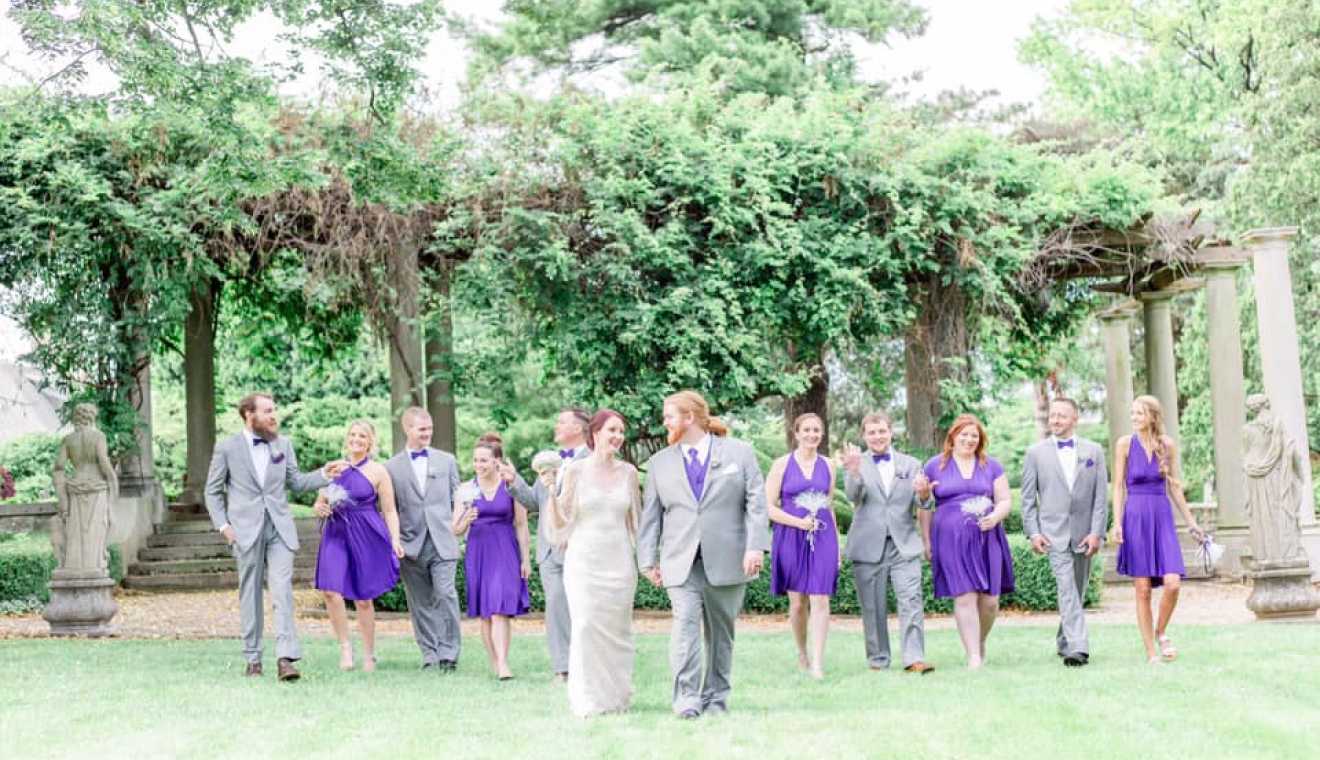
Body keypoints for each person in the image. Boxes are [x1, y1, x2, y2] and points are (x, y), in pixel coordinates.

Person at [637, 390, 769, 719]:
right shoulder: (658, 463)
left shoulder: (739, 453)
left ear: (689, 417)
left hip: (729, 558)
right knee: (684, 627)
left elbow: (756, 503)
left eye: (669, 416)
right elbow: (650, 516)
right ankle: (686, 699)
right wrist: (646, 559)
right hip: (679, 561)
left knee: (721, 634)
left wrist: (755, 546)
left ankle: (716, 699)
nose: (664, 422)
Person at [203, 392, 343, 681]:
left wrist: (324, 474)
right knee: (250, 594)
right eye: (267, 411)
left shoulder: (284, 444)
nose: (273, 416)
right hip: (244, 532)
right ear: (249, 415)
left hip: (280, 528)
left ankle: (285, 658)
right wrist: (224, 527)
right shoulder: (227, 448)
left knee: (282, 591)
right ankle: (253, 659)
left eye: (274, 410)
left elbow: (296, 482)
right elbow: (212, 491)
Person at [545, 409, 640, 717]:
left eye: (621, 431)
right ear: (595, 433)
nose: (618, 437)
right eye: (612, 430)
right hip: (584, 563)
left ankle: (616, 698)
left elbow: (636, 523)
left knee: (618, 631)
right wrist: (551, 492)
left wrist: (648, 560)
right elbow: (562, 520)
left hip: (620, 562)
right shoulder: (575, 471)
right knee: (585, 626)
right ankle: (587, 699)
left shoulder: (629, 473)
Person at [914, 414, 1014, 669]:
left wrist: (995, 517)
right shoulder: (934, 465)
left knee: (990, 602)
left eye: (974, 436)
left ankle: (979, 642)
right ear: (953, 437)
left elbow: (1005, 500)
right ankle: (973, 657)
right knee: (965, 596)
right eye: (964, 434)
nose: (969, 440)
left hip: (987, 538)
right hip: (950, 539)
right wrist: (926, 540)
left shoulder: (991, 465)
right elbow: (924, 505)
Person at [1112, 395, 1205, 663]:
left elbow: (1175, 487)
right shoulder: (1124, 444)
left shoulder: (1167, 445)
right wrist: (1116, 523)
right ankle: (1151, 653)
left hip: (1162, 517)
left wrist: (1192, 523)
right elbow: (1117, 486)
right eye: (1133, 413)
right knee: (1142, 589)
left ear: (1153, 416)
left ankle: (1161, 631)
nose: (1134, 417)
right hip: (1135, 517)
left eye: (1140, 413)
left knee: (1172, 583)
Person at [840, 413, 934, 674]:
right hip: (867, 544)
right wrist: (853, 472)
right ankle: (878, 659)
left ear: (891, 432)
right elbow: (852, 496)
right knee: (872, 606)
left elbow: (923, 503)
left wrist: (924, 494)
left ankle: (914, 658)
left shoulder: (911, 464)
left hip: (904, 544)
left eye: (882, 431)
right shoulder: (856, 463)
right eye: (871, 432)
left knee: (911, 599)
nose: (877, 436)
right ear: (864, 436)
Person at [1021, 397, 1109, 667]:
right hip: (1053, 534)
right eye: (1052, 415)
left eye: (1061, 415)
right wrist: (1033, 533)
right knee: (1067, 588)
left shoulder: (1094, 451)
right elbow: (1027, 499)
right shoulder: (1035, 453)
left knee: (1077, 590)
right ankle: (1079, 647)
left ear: (1074, 419)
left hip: (1084, 534)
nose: (1055, 420)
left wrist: (1097, 532)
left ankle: (1064, 640)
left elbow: (1100, 498)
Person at [312, 420, 404, 672]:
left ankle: (369, 654)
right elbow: (319, 502)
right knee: (330, 590)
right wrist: (319, 507)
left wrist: (395, 539)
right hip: (335, 533)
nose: (356, 439)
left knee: (363, 598)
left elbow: (389, 510)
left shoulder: (378, 471)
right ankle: (345, 647)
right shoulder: (334, 468)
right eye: (352, 435)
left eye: (362, 436)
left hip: (366, 533)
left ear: (370, 441)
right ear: (347, 438)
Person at [384, 407, 464, 672]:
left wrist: (459, 526)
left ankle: (449, 653)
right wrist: (395, 540)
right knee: (420, 602)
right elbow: (390, 508)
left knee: (445, 594)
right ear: (407, 429)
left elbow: (458, 498)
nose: (427, 433)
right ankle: (430, 654)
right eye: (422, 429)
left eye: (429, 429)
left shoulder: (447, 461)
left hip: (443, 540)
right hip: (410, 543)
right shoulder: (391, 468)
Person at [765, 413, 838, 680]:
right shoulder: (781, 465)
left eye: (816, 430)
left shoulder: (829, 465)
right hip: (790, 535)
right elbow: (768, 507)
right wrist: (799, 523)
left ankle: (817, 663)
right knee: (798, 603)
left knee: (820, 597)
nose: (812, 434)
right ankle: (802, 653)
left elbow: (829, 505)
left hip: (822, 536)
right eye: (806, 430)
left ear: (822, 434)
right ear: (796, 433)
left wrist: (836, 547)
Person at [453, 435, 532, 680]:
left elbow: (521, 524)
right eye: (476, 460)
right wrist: (465, 519)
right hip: (478, 551)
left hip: (505, 549)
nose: (479, 465)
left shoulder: (509, 486)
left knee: (499, 608)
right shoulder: (466, 489)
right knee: (486, 613)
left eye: (484, 460)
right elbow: (455, 529)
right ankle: (495, 662)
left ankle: (504, 662)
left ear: (497, 461)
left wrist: (526, 559)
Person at [529, 407, 592, 681]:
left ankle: (587, 664)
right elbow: (535, 502)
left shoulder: (593, 460)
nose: (556, 426)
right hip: (548, 550)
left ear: (578, 428)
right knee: (555, 607)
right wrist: (512, 481)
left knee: (583, 608)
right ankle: (562, 668)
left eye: (561, 422)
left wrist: (571, 532)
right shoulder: (549, 461)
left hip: (577, 546)